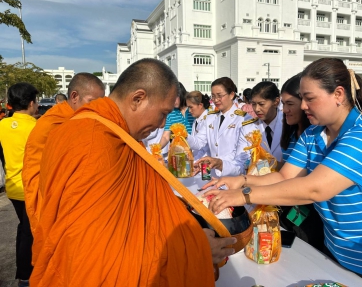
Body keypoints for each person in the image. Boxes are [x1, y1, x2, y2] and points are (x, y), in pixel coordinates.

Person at [205, 58, 362, 287]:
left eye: (309, 98)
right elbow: (285, 176)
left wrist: (243, 194)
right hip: (338, 253)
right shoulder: (314, 134)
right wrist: (240, 180)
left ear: (338, 94)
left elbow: (315, 188)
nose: (303, 106)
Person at [30, 59, 236, 286]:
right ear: (138, 99)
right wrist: (194, 250)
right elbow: (95, 262)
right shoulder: (92, 143)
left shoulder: (114, 135)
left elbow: (135, 217)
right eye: (162, 113)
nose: (162, 125)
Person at [22, 73, 105, 233]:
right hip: (47, 193)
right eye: (92, 102)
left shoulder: (77, 117)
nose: (97, 109)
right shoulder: (54, 123)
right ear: (74, 97)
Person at [278, 73, 324, 251]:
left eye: (290, 104)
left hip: (310, 213)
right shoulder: (291, 133)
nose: (285, 109)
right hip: (289, 205)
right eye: (283, 103)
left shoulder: (317, 137)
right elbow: (284, 171)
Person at [0, 83, 39, 287]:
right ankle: (26, 277)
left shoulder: (2, 125)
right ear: (31, 103)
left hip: (13, 189)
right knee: (30, 233)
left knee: (24, 229)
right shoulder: (36, 127)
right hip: (32, 189)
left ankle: (23, 274)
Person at [205, 81, 283, 176]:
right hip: (258, 185)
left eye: (261, 104)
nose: (257, 109)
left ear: (276, 102)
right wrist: (221, 164)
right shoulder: (248, 127)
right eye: (253, 104)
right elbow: (241, 162)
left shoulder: (289, 124)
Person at [187, 77, 249, 178]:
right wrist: (183, 135)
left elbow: (242, 155)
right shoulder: (211, 117)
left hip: (233, 174)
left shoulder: (243, 119)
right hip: (211, 174)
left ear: (232, 95)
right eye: (213, 96)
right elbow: (199, 143)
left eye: (219, 96)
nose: (216, 100)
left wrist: (218, 162)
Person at [160, 82, 194, 148]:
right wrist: (157, 149)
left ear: (181, 94)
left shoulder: (193, 110)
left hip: (197, 150)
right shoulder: (171, 114)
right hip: (180, 151)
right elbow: (166, 136)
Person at [186, 91, 210, 160]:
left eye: (191, 107)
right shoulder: (196, 120)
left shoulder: (208, 120)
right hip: (196, 159)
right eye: (188, 108)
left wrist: (184, 135)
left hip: (204, 161)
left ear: (200, 105)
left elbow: (199, 144)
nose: (189, 111)